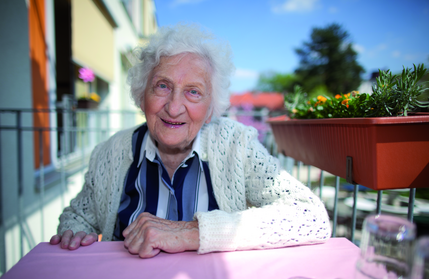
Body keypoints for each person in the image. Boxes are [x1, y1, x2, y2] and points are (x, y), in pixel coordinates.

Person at [50, 24, 331, 258]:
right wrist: (75, 234)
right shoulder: (110, 153)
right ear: (141, 94)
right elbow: (79, 217)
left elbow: (310, 216)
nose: (174, 108)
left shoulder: (237, 147)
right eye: (162, 86)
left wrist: (193, 233)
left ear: (211, 107)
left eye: (193, 92)